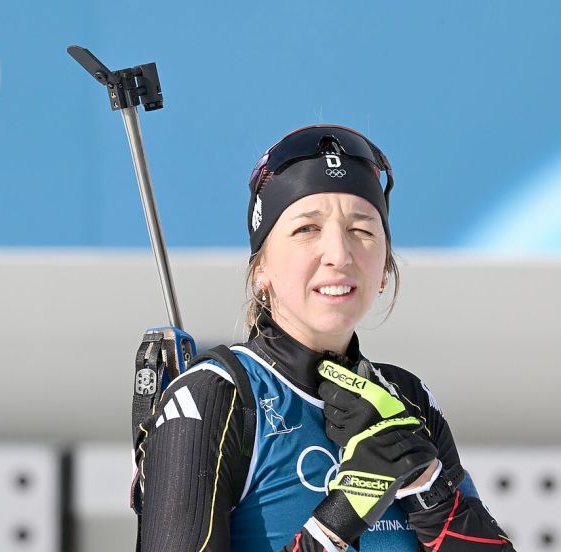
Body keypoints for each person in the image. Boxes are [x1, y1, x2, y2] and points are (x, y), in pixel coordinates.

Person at [132, 125, 514, 551]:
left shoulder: (408, 397)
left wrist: (426, 485)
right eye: (306, 229)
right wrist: (339, 519)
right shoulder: (215, 396)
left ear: (384, 269)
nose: (339, 253)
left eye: (362, 230)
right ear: (261, 270)